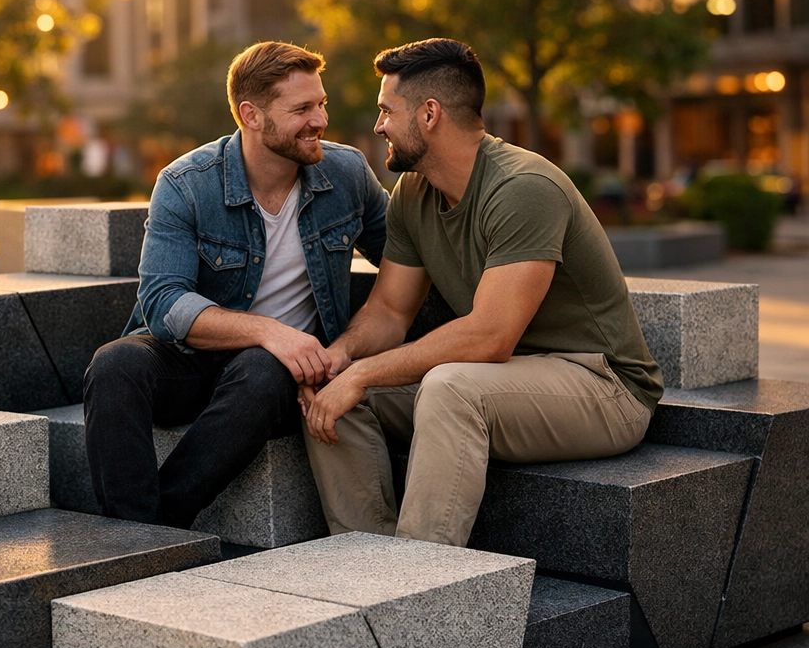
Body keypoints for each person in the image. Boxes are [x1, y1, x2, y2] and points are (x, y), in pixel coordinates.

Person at [301, 38, 662, 547]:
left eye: (386, 110)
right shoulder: (414, 192)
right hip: (502, 379)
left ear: (429, 114)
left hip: (602, 386)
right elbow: (387, 310)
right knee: (336, 395)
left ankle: (418, 585)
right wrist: (342, 358)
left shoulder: (523, 188)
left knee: (450, 389)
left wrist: (364, 372)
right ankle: (368, 565)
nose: (378, 124)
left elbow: (491, 336)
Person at [83, 41, 388, 528]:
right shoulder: (187, 183)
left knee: (265, 369)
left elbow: (404, 260)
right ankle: (133, 536)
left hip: (276, 380)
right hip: (190, 361)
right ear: (252, 114)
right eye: (302, 108)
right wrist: (269, 330)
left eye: (321, 103)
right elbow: (163, 303)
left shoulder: (346, 173)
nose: (320, 120)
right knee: (114, 363)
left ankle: (154, 528)